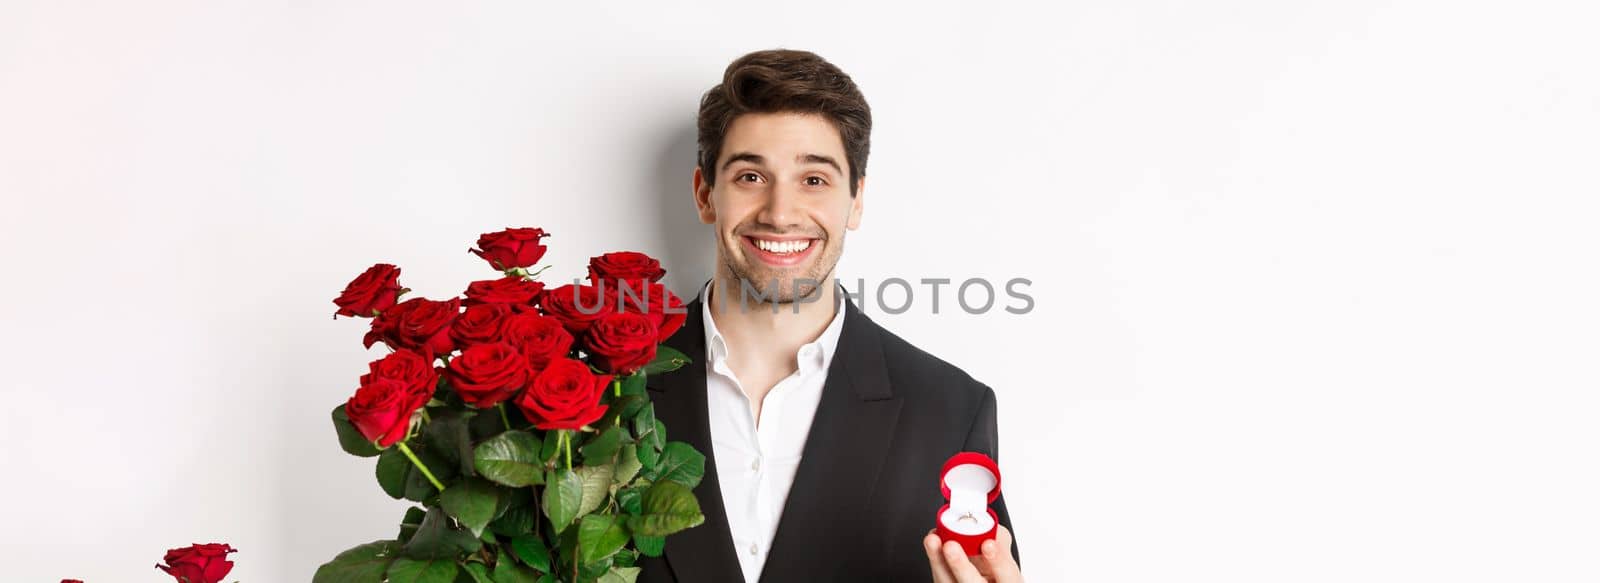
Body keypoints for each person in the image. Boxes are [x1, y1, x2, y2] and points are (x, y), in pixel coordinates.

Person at [635, 48, 1023, 583]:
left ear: (856, 200)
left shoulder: (951, 411)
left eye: (814, 180)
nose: (780, 213)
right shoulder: (603, 386)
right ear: (705, 195)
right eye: (751, 176)